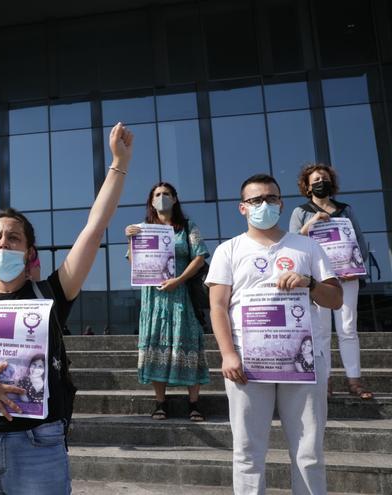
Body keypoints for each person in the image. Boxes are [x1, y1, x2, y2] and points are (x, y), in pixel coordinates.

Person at [0, 123, 134, 495]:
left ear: (28, 252)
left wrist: (119, 163)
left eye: (14, 237)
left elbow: (94, 228)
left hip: (39, 447)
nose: (4, 243)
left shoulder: (51, 293)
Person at [206, 174, 342, 494]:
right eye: (256, 200)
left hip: (303, 360)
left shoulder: (307, 246)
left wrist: (309, 283)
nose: (264, 205)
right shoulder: (229, 250)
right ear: (242, 208)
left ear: (281, 203)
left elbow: (335, 299)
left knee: (309, 453)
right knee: (247, 453)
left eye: (270, 198)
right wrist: (228, 354)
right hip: (247, 363)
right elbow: (217, 307)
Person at [124, 182, 210, 422]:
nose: (162, 198)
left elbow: (200, 256)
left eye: (166, 194)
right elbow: (135, 264)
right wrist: (131, 240)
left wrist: (179, 280)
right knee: (155, 346)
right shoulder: (143, 229)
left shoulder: (187, 227)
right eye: (157, 195)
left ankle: (194, 403)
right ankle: (160, 403)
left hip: (182, 294)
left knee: (190, 343)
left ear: (175, 199)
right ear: (151, 202)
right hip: (154, 299)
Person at [289, 163, 372, 400]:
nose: (320, 182)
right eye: (315, 180)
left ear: (331, 183)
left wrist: (355, 266)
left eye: (324, 178)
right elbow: (293, 243)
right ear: (307, 186)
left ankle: (354, 380)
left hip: (347, 277)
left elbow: (360, 242)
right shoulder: (301, 211)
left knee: (348, 328)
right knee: (322, 330)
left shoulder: (345, 210)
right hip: (319, 280)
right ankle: (324, 381)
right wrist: (312, 222)